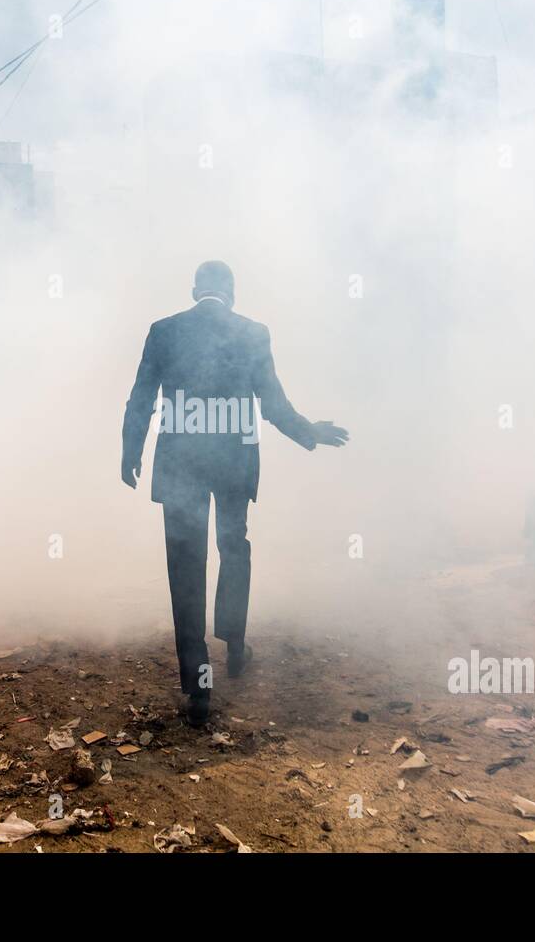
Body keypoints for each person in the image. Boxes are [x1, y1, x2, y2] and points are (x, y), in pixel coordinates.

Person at [121, 261, 349, 726]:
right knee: (234, 547)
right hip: (232, 464)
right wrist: (309, 432)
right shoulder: (252, 332)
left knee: (186, 564)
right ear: (232, 294)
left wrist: (131, 450)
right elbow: (273, 403)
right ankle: (237, 644)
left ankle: (199, 685)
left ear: (194, 291)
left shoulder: (164, 330)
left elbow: (141, 397)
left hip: (181, 464)